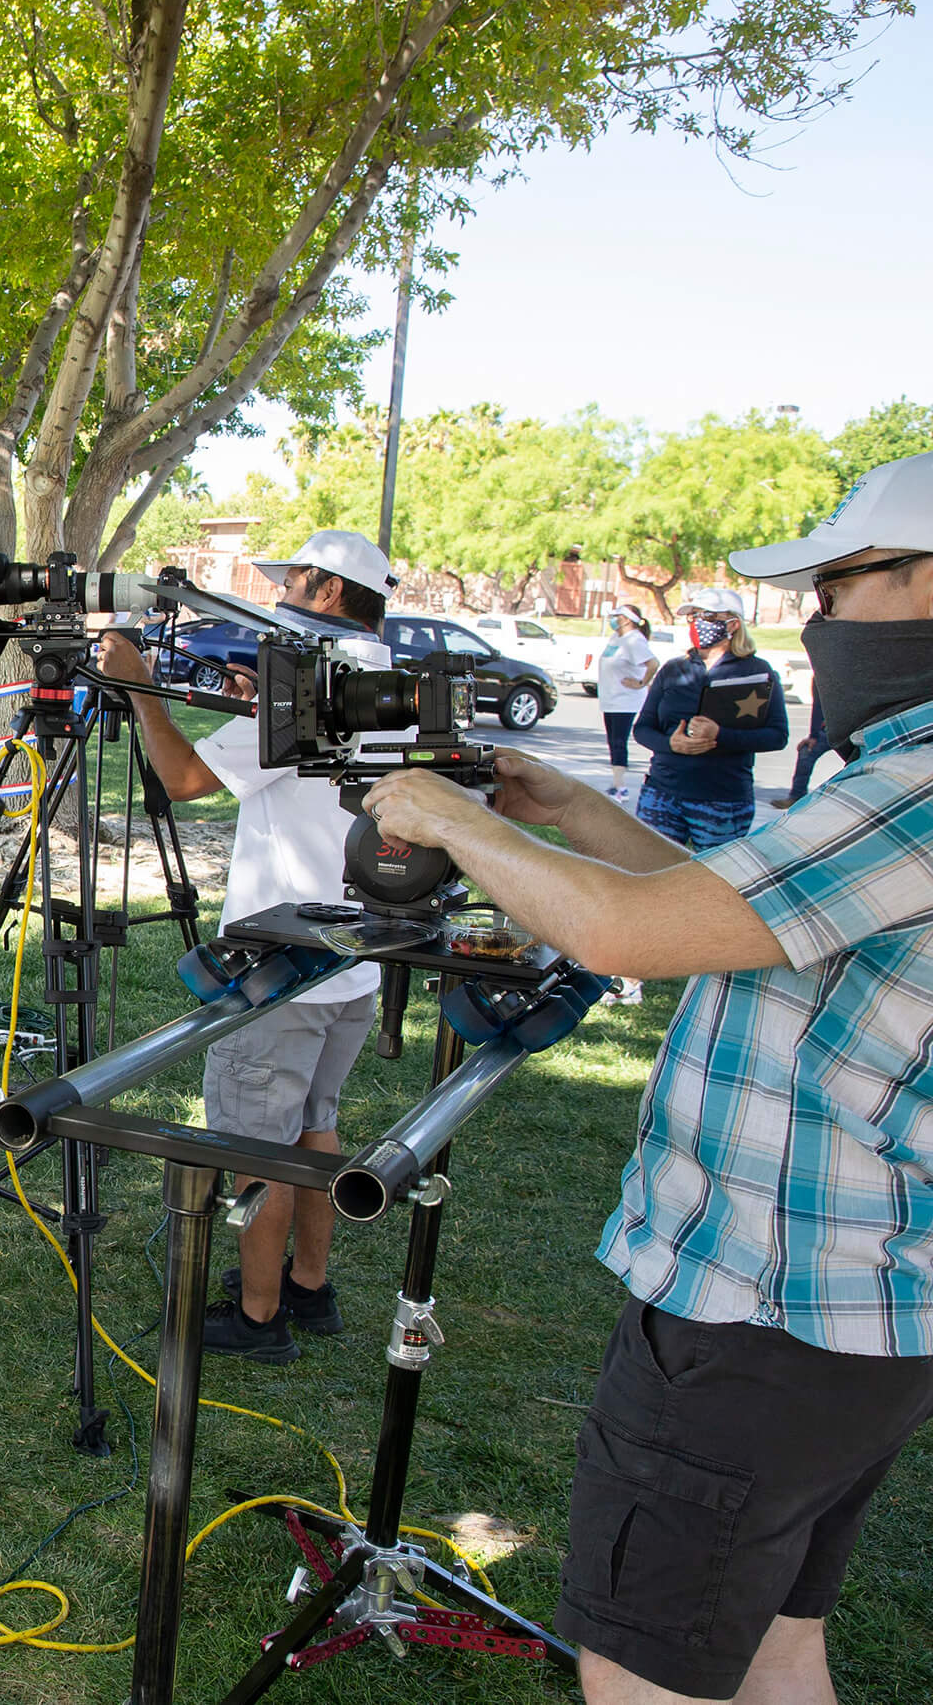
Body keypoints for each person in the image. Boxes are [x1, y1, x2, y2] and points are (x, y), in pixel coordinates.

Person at [357, 450, 933, 1705]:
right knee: (777, 1644)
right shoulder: (894, 784)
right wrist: (560, 807)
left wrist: (457, 823)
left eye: (842, 584)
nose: (818, 618)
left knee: (644, 1672)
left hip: (762, 1314)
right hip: (860, 1315)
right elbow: (711, 910)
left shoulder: (916, 785)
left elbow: (626, 939)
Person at [94, 529, 397, 1363]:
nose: (279, 597)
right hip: (350, 958)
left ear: (326, 591)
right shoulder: (385, 674)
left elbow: (185, 781)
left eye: (293, 581)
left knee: (255, 1148)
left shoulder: (307, 678)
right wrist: (241, 702)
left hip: (282, 963)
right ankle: (309, 1285)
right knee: (315, 1127)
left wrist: (140, 691)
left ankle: (259, 1317)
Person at [630, 586, 788, 849]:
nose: (699, 623)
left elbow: (777, 736)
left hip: (723, 801)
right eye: (694, 617)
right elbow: (643, 729)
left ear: (733, 624)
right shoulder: (673, 669)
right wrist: (671, 744)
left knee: (715, 879)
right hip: (662, 793)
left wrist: (721, 735)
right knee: (650, 872)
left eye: (710, 617)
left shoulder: (758, 673)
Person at [596, 605, 657, 803]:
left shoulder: (634, 640)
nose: (613, 619)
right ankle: (617, 783)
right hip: (610, 699)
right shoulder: (616, 639)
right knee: (613, 741)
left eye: (617, 616)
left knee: (618, 742)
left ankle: (620, 787)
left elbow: (653, 664)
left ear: (628, 619)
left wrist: (641, 683)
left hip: (625, 700)